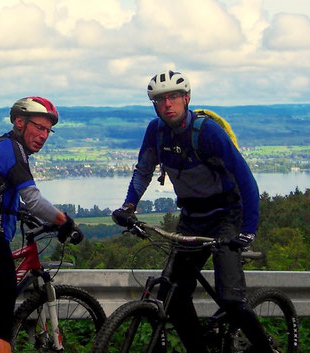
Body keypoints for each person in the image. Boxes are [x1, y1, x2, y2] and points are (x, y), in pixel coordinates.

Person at [112, 70, 276, 353]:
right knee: (172, 297)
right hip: (192, 218)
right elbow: (143, 171)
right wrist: (129, 206)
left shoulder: (207, 132)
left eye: (174, 97)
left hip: (226, 215)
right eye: (160, 99)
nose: (167, 104)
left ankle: (265, 348)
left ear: (186, 98)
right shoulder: (156, 131)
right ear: (154, 105)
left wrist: (248, 231)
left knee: (231, 299)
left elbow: (245, 179)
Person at [0, 97, 82, 353]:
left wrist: (22, 213)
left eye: (48, 130)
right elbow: (34, 199)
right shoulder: (12, 151)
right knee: (1, 324)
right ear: (19, 122)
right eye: (39, 127)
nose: (44, 135)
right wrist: (64, 221)